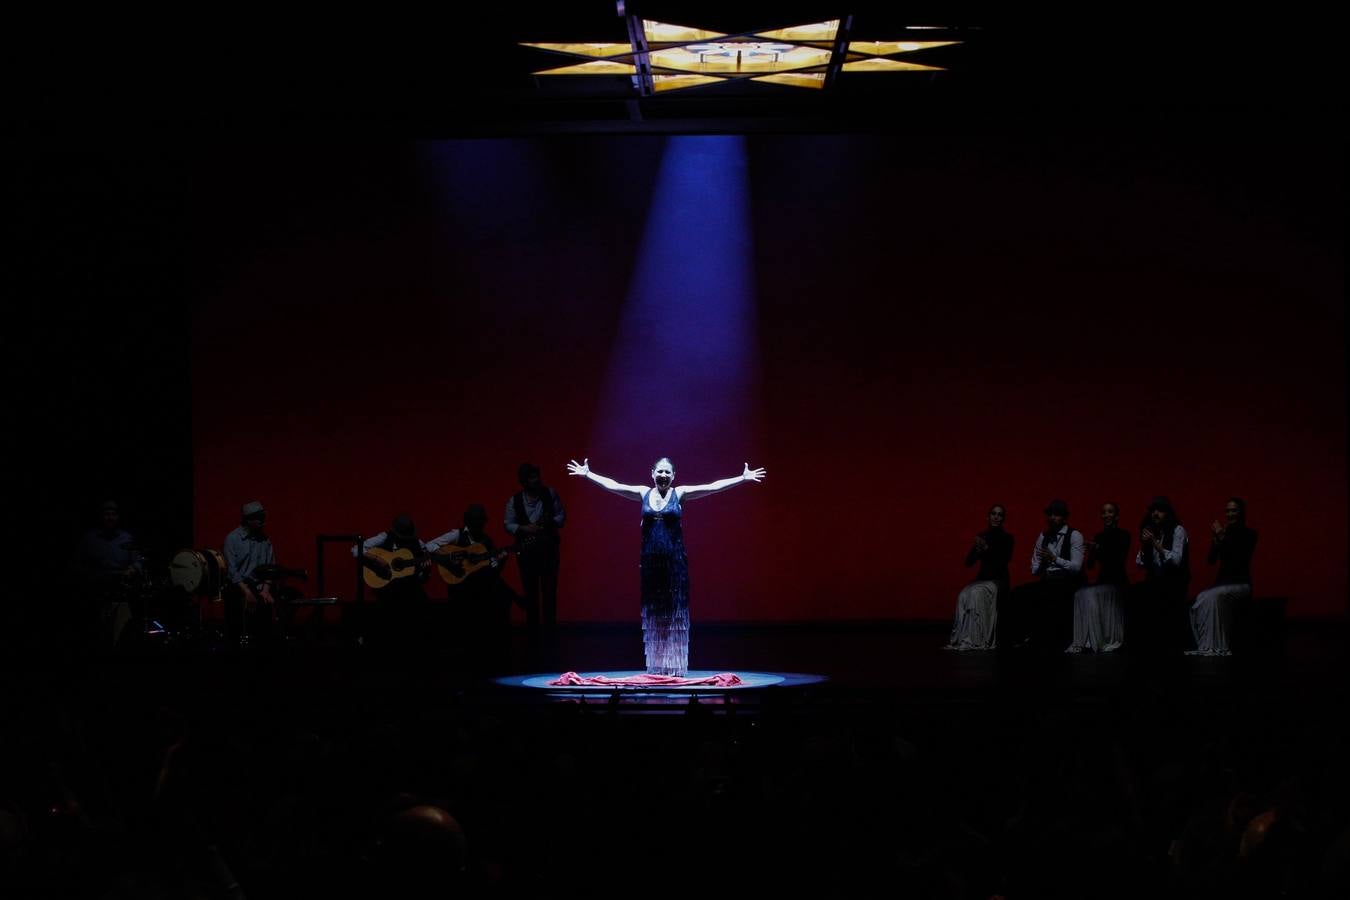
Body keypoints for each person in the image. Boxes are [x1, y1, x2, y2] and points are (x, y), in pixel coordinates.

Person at [567, 456, 765, 676]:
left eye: (667, 472)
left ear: (673, 476)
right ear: (652, 473)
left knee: (674, 616)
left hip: (674, 565)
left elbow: (712, 487)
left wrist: (742, 478)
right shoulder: (643, 493)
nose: (663, 475)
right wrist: (588, 474)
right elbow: (615, 486)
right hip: (651, 565)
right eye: (659, 471)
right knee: (654, 616)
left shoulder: (679, 494)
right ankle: (656, 668)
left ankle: (675, 669)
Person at [1002, 499, 1084, 650]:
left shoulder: (1074, 535)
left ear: (1064, 518)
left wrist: (1055, 559)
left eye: (1056, 515)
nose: (1052, 518)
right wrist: (1042, 564)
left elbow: (1077, 567)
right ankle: (1021, 637)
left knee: (1052, 598)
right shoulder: (1043, 536)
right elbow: (1034, 568)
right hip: (1048, 580)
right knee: (1017, 593)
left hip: (1068, 582)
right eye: (1050, 515)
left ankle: (1048, 639)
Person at [1187, 497, 1257, 656]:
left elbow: (1239, 558)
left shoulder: (1249, 534)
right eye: (1227, 511)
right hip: (1222, 583)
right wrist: (1217, 541)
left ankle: (1218, 645)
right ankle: (1205, 644)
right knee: (1201, 598)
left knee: (1212, 596)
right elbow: (1211, 560)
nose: (1230, 514)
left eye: (1234, 510)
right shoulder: (1224, 532)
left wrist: (1222, 537)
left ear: (1241, 512)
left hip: (1240, 583)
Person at [503, 463, 566, 631]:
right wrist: (524, 528)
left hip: (549, 551)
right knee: (530, 591)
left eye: (536, 476)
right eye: (531, 477)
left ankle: (549, 629)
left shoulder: (550, 494)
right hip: (526, 552)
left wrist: (550, 522)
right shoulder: (514, 500)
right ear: (523, 481)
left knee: (549, 591)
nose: (536, 480)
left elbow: (561, 516)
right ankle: (533, 630)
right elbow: (508, 524)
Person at [944, 504, 1013, 650]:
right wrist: (977, 549)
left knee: (976, 593)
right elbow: (968, 562)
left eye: (1000, 514)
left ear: (1003, 519)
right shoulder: (983, 536)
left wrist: (987, 548)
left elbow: (1001, 562)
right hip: (982, 579)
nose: (996, 517)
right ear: (988, 517)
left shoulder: (1007, 538)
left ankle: (978, 639)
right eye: (993, 513)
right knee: (963, 595)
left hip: (998, 580)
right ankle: (963, 637)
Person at [76, 499, 144, 648]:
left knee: (120, 631)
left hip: (121, 590)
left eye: (113, 514)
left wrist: (133, 569)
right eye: (107, 514)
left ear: (118, 517)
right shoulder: (89, 539)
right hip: (95, 591)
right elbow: (79, 564)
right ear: (101, 517)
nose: (110, 517)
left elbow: (139, 561)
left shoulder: (127, 538)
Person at [1066, 502, 1131, 653]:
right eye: (1104, 512)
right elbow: (1090, 566)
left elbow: (1117, 558)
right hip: (1103, 580)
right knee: (1080, 594)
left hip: (1117, 582)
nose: (1107, 515)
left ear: (1116, 516)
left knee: (1088, 594)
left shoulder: (1124, 535)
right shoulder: (1099, 536)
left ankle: (1102, 637)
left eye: (1110, 512)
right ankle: (1089, 638)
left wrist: (1098, 548)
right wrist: (1091, 551)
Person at [1131, 495, 1190, 653]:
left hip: (1173, 581)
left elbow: (1176, 561)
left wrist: (1156, 545)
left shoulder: (1178, 530)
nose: (1155, 514)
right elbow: (1139, 563)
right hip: (1155, 581)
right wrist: (1145, 545)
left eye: (1160, 511)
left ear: (1168, 513)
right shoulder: (1152, 531)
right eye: (1153, 511)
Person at [222, 500, 277, 643]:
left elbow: (270, 567)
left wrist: (266, 589)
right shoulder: (232, 539)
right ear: (248, 520)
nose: (262, 521)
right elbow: (232, 571)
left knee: (266, 611)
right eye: (259, 518)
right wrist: (246, 592)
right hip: (239, 586)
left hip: (259, 586)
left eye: (263, 517)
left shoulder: (265, 540)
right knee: (235, 604)